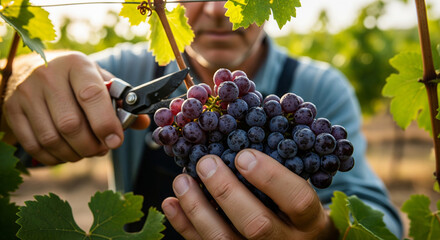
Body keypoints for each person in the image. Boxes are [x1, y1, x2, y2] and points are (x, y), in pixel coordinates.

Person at [1, 1, 403, 239]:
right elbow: (21, 145)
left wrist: (327, 235)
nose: (217, 10)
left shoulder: (319, 86)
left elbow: (379, 217)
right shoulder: (127, 68)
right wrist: (17, 78)